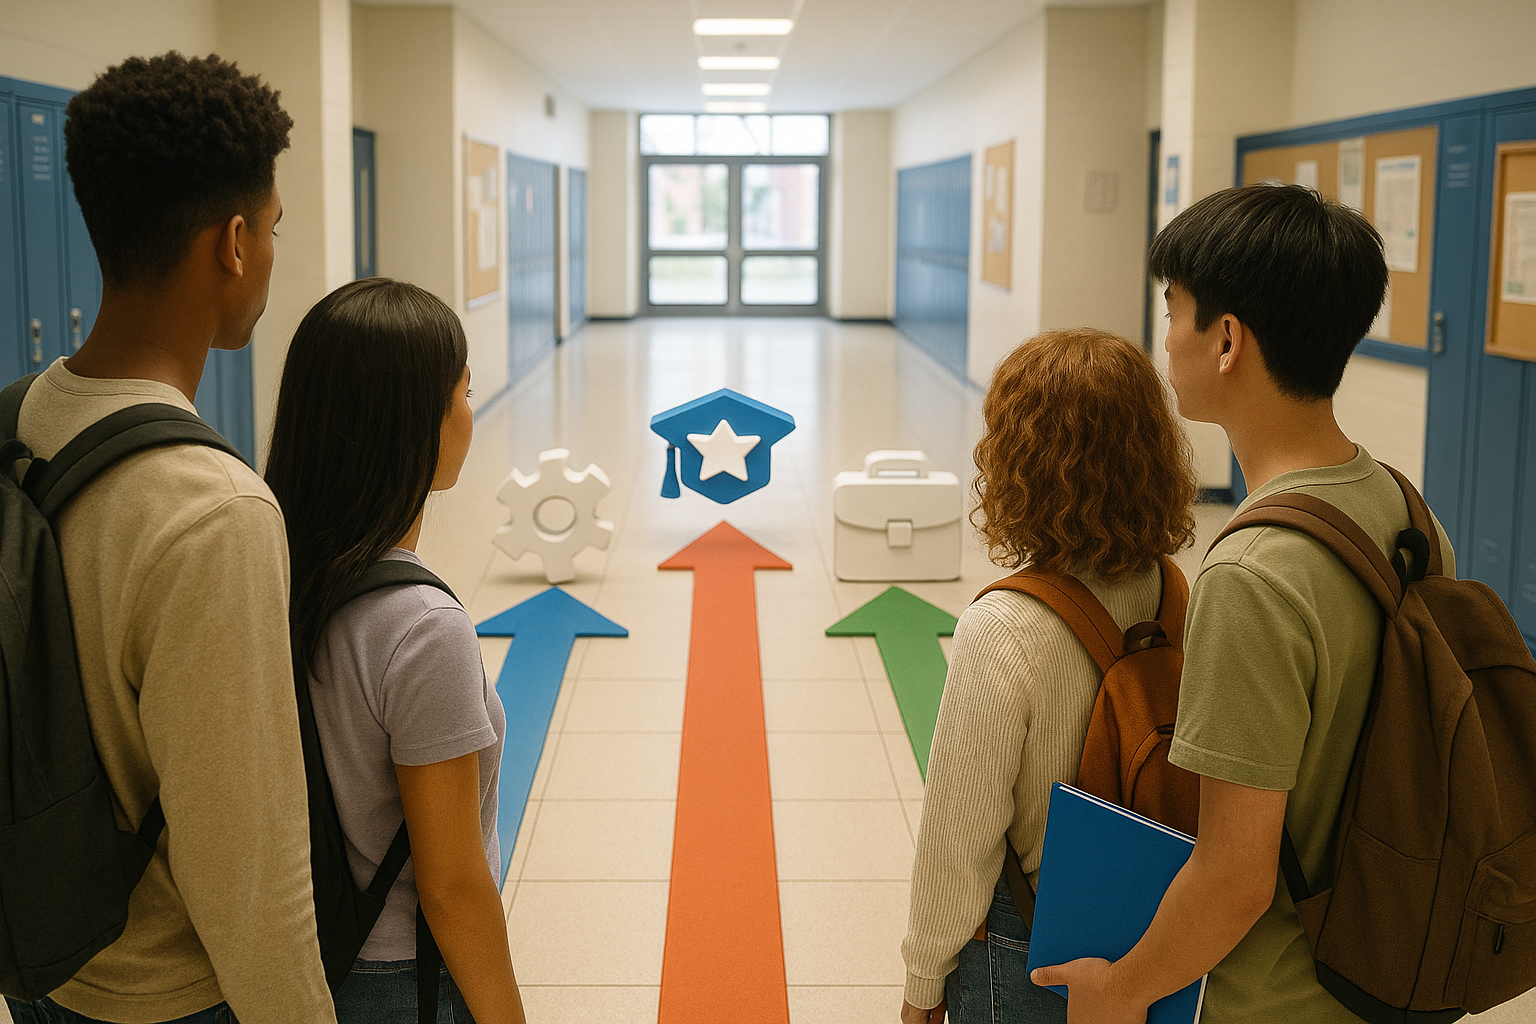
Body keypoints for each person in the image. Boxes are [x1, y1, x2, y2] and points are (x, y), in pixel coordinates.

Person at [1030, 184, 1455, 1023]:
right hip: (1388, 968)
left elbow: (1234, 877)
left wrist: (1122, 989)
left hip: (1282, 999)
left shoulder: (1252, 577)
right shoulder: (1405, 510)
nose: (1164, 335)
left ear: (1226, 339)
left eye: (1173, 308)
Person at [4, 53, 338, 1024]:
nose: (272, 252)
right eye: (274, 229)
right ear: (234, 243)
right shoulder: (216, 511)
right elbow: (248, 870)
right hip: (172, 997)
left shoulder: (18, 422)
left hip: (47, 967)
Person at [900, 328, 1199, 1024]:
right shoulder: (1178, 591)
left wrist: (922, 984)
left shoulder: (1003, 627)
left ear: (1016, 462)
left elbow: (960, 836)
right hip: (1164, 926)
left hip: (1032, 941)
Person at [264, 278, 525, 1024]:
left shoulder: (270, 567)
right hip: (403, 976)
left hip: (306, 957)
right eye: (465, 392)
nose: (471, 412)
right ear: (417, 423)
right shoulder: (419, 625)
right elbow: (449, 884)